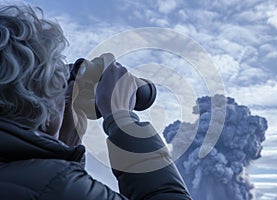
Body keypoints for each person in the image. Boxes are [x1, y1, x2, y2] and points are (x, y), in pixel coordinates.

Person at [0, 4, 192, 200]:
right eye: (57, 80)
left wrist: (63, 145)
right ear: (40, 103)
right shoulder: (56, 185)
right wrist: (122, 119)